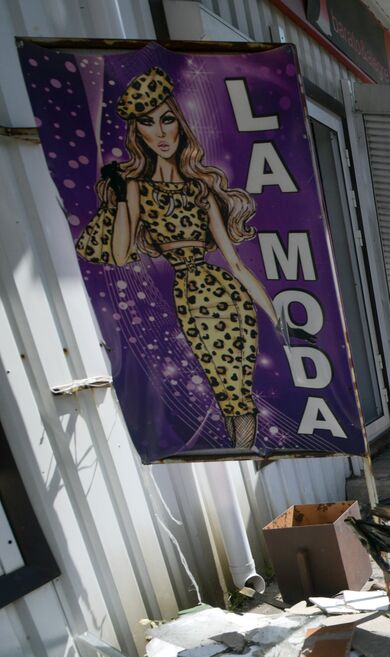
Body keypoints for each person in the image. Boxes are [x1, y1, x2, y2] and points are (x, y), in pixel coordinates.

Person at [75, 67, 306, 449]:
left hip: (228, 297)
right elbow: (118, 254)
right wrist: (118, 201)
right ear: (139, 134)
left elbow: (235, 264)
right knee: (228, 392)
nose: (162, 132)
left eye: (168, 119)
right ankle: (243, 451)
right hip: (193, 300)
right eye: (149, 123)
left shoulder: (199, 188)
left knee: (237, 391)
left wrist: (277, 317)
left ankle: (243, 450)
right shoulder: (134, 188)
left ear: (180, 125)